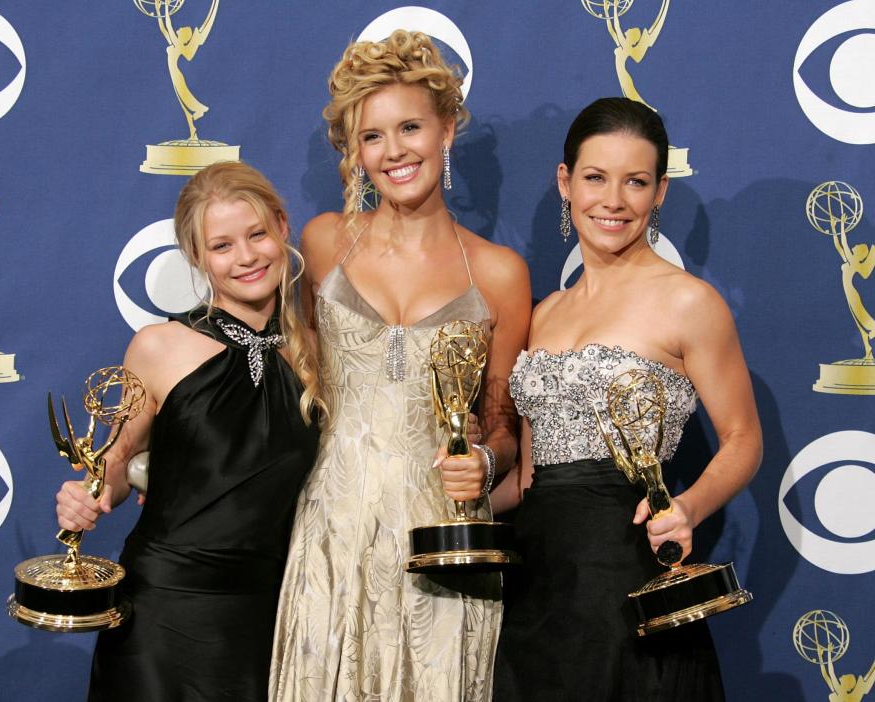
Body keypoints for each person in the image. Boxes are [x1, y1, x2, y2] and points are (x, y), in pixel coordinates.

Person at [269, 30, 531, 702]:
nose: (393, 152)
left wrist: (486, 463)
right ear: (354, 150)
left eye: (410, 127)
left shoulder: (498, 274)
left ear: (447, 128)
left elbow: (502, 428)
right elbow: (296, 381)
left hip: (441, 538)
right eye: (372, 137)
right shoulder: (324, 243)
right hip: (332, 528)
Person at [490, 97, 762, 701]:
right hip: (538, 579)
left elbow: (743, 439)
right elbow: (532, 473)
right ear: (565, 182)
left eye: (635, 182)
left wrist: (688, 507)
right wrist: (463, 499)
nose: (613, 201)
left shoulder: (690, 302)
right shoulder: (544, 313)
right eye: (595, 178)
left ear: (659, 192)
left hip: (627, 566)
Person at [54, 161, 321, 701]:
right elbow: (117, 456)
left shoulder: (315, 356)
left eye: (256, 235)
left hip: (267, 615)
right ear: (198, 256)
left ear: (282, 228)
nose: (246, 257)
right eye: (221, 246)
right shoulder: (159, 346)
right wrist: (90, 491)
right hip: (162, 608)